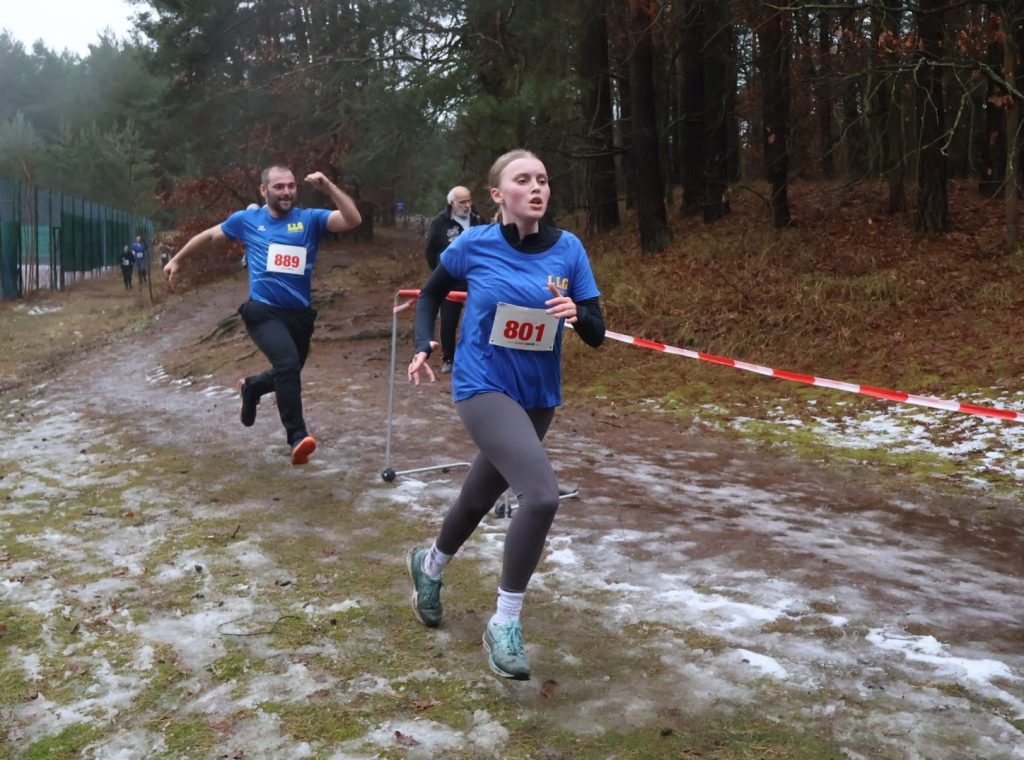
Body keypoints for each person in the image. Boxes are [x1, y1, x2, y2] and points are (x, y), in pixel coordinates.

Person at [405, 149, 605, 680]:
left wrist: (578, 313)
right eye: (524, 180)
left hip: (537, 396)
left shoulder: (569, 250)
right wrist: (424, 343)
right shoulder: (474, 243)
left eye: (543, 179)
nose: (537, 188)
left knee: (478, 495)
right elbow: (429, 295)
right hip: (482, 385)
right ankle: (505, 622)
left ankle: (430, 566)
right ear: (498, 195)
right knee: (540, 496)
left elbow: (598, 331)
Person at [163, 165, 362, 465]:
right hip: (263, 311)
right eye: (279, 187)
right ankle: (297, 436)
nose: (286, 192)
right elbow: (210, 236)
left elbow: (353, 219)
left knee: (290, 370)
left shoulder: (309, 219)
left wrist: (329, 188)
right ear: (264, 190)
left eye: (291, 186)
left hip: (299, 314)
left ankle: (252, 387)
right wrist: (178, 259)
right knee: (287, 364)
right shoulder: (247, 220)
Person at [424, 185, 482, 373]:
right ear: (451, 203)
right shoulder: (439, 222)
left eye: (469, 201)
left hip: (475, 278)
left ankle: (476, 358)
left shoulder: (478, 219)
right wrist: (439, 272)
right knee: (448, 320)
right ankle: (448, 358)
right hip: (451, 280)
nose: (467, 206)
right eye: (462, 202)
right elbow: (430, 250)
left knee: (479, 318)